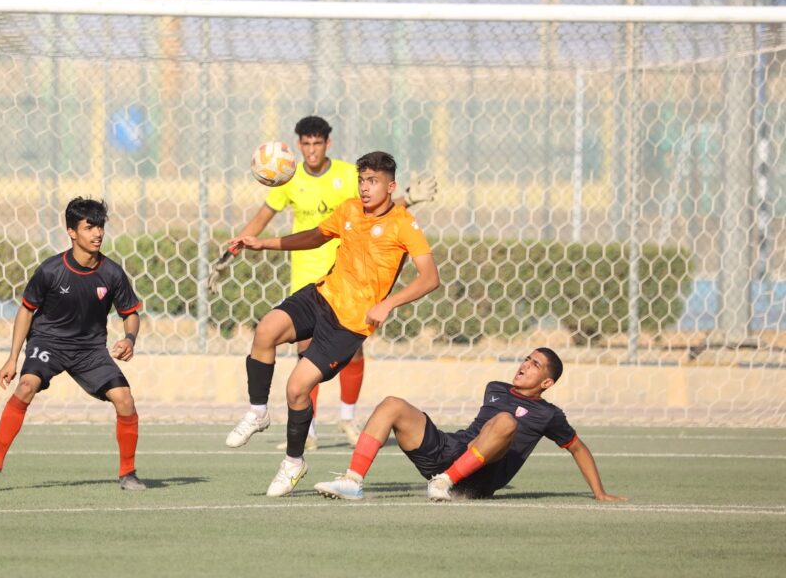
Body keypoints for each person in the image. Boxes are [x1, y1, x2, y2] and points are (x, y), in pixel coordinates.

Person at [223, 150, 440, 497]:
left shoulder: (405, 225)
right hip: (321, 296)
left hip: (349, 324)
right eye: (362, 180)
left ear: (391, 185)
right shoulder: (350, 209)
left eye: (373, 181)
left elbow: (430, 278)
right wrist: (263, 243)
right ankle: (258, 412)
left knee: (296, 389)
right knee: (265, 330)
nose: (365, 188)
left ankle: (294, 462)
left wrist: (389, 303)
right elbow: (315, 236)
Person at [0, 197, 146, 491]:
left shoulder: (112, 273)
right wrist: (13, 358)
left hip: (90, 350)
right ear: (71, 232)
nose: (97, 233)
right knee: (25, 387)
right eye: (89, 227)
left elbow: (130, 314)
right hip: (48, 343)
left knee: (125, 400)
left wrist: (130, 338)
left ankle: (128, 473)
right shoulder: (51, 270)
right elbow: (26, 310)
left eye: (100, 226)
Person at [312, 348, 627, 502]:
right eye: (526, 359)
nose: (524, 366)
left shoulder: (548, 415)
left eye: (534, 365)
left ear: (546, 381)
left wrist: (599, 493)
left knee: (504, 421)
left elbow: (578, 448)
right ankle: (353, 481)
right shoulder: (496, 387)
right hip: (450, 452)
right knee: (393, 403)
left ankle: (446, 482)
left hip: (481, 477)